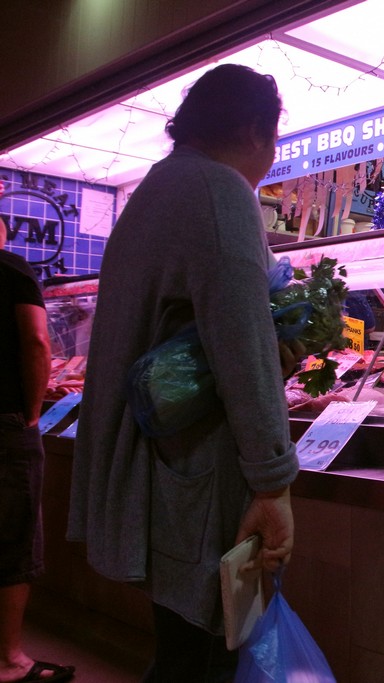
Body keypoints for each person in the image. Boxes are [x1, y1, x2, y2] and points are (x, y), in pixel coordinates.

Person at [69, 65, 300, 682]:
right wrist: (273, 485)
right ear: (254, 130)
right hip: (197, 480)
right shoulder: (219, 192)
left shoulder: (154, 190)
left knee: (182, 654)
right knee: (206, 657)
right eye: (274, 142)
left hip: (156, 470)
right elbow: (244, 349)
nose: (271, 161)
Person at [1, 219, 75, 683]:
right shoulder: (11, 269)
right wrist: (31, 413)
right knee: (12, 535)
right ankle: (9, 661)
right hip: (4, 423)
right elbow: (36, 339)